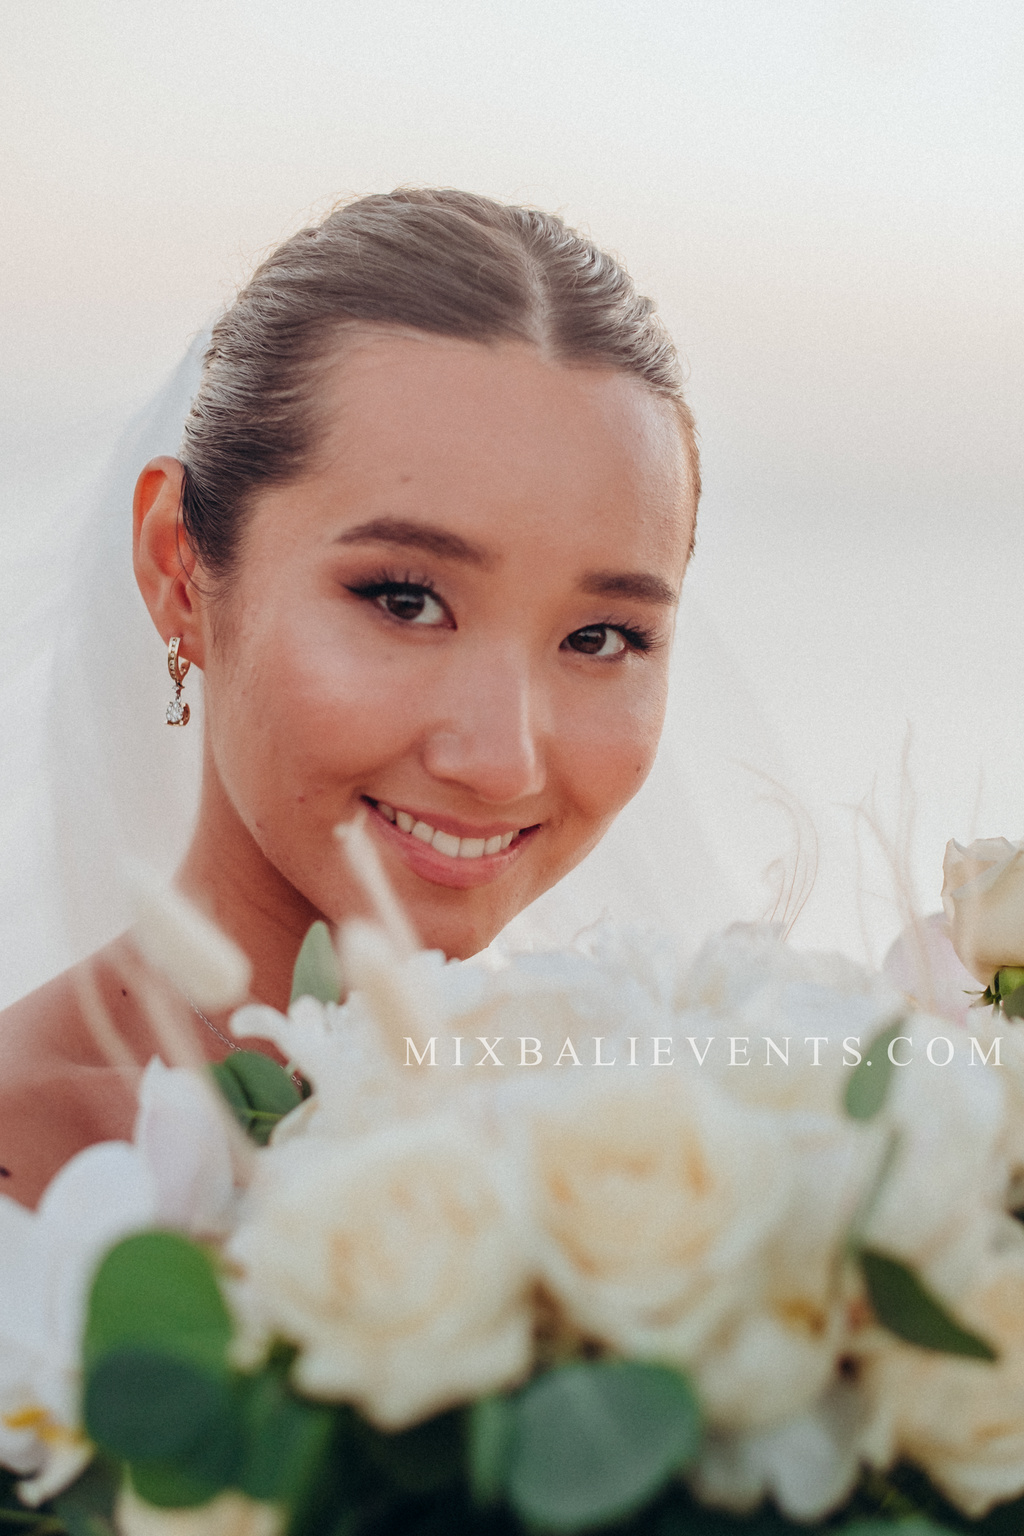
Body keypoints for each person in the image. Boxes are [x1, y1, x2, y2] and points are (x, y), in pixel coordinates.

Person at [0, 188, 703, 1207]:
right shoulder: (26, 1159)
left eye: (599, 638)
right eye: (405, 601)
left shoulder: (669, 1138)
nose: (500, 761)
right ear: (177, 568)